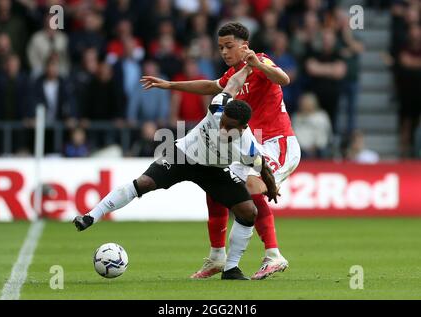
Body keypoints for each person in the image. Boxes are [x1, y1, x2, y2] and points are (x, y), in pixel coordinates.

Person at [73, 65, 279, 280]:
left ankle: (231, 269)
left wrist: (272, 188)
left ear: (244, 128)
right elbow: (233, 85)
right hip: (183, 155)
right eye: (223, 123)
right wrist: (246, 69)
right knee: (144, 183)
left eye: (230, 128)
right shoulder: (219, 107)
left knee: (249, 212)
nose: (222, 129)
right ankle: (90, 216)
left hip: (215, 171)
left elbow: (263, 167)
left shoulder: (248, 148)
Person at [141, 22, 301, 280]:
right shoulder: (232, 76)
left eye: (229, 46)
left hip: (276, 141)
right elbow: (209, 86)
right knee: (218, 184)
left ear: (244, 46)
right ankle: (217, 256)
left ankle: (273, 255)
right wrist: (170, 85)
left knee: (248, 188)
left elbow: (284, 79)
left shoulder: (261, 60)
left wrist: (258, 65)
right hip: (252, 142)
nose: (224, 52)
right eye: (221, 48)